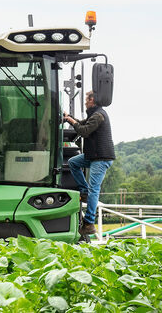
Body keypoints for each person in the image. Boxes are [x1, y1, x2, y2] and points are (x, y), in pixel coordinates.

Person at [63, 91, 115, 235]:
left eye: (87, 99)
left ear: (93, 100)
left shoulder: (99, 115)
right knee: (73, 162)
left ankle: (89, 222)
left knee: (94, 189)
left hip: (101, 158)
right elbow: (82, 123)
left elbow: (84, 131)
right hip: (94, 156)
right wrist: (69, 118)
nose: (85, 102)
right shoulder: (95, 115)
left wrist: (72, 122)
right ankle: (84, 191)